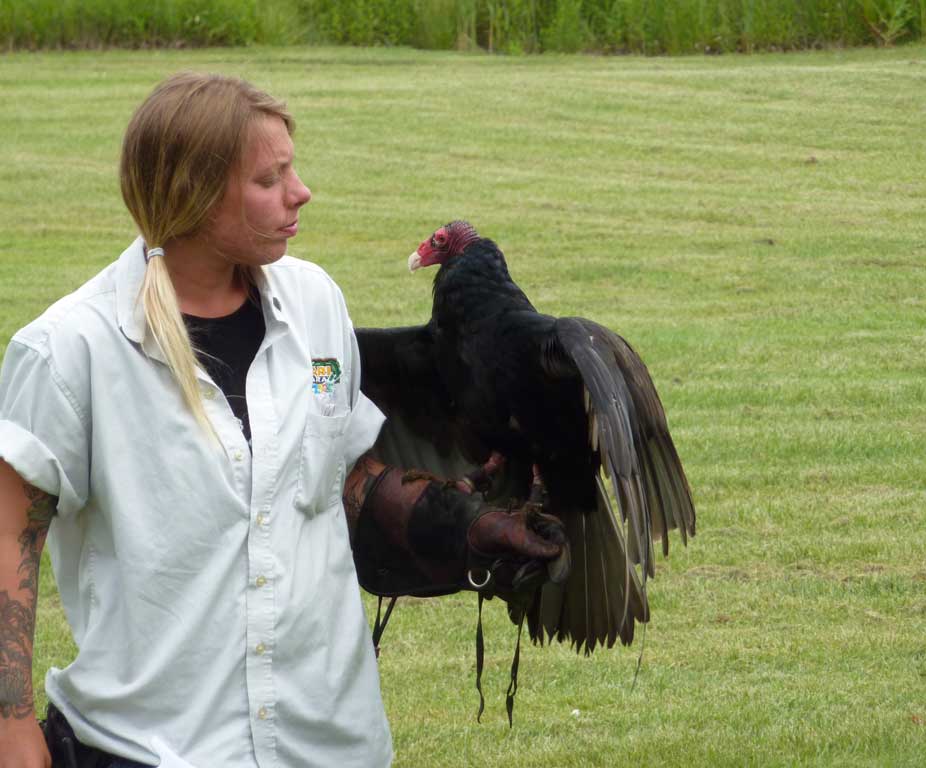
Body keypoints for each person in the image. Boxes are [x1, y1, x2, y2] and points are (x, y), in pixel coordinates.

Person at [0, 72, 564, 768]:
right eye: (271, 178)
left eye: (291, 169)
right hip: (155, 747)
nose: (301, 193)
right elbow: (8, 542)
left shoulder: (316, 305)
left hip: (329, 743)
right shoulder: (70, 351)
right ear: (193, 195)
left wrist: (464, 527)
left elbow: (343, 476)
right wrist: (11, 725)